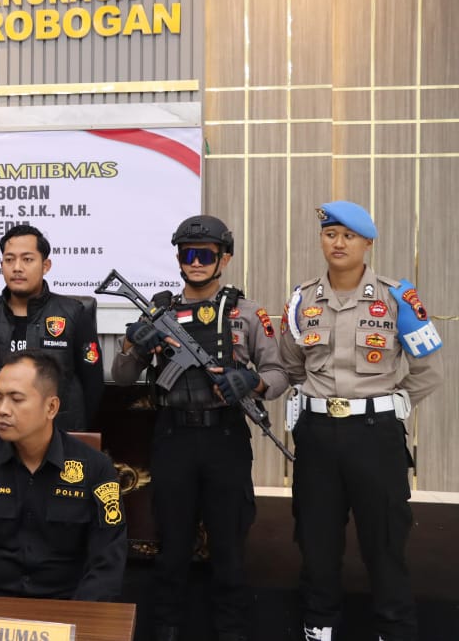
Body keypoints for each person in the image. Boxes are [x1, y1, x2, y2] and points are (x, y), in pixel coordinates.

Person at [110, 215, 288, 641]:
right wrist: (135, 342)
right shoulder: (160, 312)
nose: (195, 262)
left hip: (224, 436)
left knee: (228, 547)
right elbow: (122, 375)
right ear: (177, 258)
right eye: (187, 254)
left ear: (224, 258)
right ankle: (166, 629)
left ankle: (231, 632)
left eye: (205, 255)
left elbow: (279, 373)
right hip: (173, 437)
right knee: (172, 547)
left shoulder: (247, 313)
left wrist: (251, 382)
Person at [280, 202, 443, 641]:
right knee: (316, 542)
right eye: (330, 234)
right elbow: (292, 366)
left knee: (384, 543)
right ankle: (319, 629)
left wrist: (391, 404)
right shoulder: (301, 300)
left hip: (376, 437)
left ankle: (395, 631)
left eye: (349, 236)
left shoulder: (397, 297)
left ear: (367, 243)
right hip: (317, 438)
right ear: (321, 239)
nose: (338, 243)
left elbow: (429, 371)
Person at [0, 350, 127, 601]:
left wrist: (81, 614)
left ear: (51, 407)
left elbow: (109, 559)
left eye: (16, 399)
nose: (2, 410)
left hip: (66, 609)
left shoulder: (96, 469)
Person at [0, 224, 103, 431]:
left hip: (56, 437)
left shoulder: (73, 314)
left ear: (45, 265)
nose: (17, 267)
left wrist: (77, 436)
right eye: (9, 259)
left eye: (27, 259)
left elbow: (93, 384)